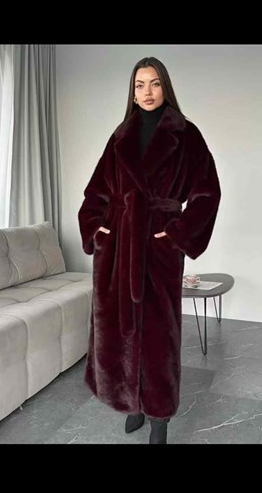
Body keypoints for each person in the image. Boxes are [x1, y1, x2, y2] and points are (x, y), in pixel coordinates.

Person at [78, 56, 221, 444]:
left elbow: (207, 193)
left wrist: (175, 235)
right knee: (119, 331)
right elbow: (95, 192)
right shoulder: (119, 137)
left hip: (158, 247)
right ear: (132, 92)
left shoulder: (186, 134)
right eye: (140, 85)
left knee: (160, 335)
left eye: (154, 83)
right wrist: (97, 229)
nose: (147, 92)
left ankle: (159, 417)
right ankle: (133, 404)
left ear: (165, 87)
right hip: (118, 248)